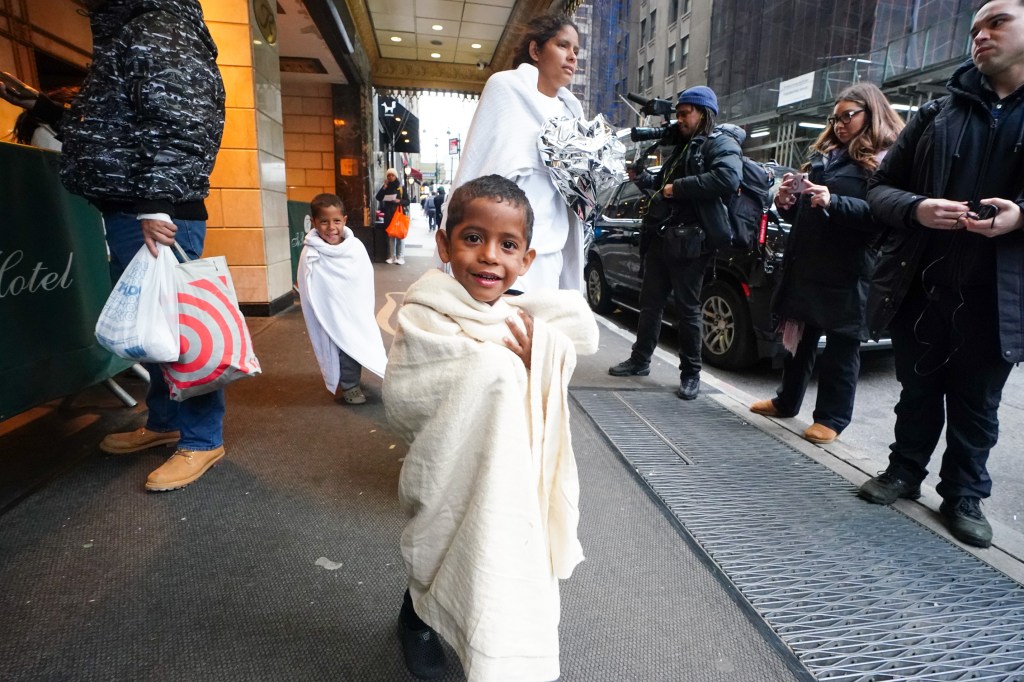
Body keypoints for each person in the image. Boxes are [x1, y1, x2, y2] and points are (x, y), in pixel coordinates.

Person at [0, 0, 226, 492]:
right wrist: (42, 109)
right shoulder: (143, 25)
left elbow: (181, 120)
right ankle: (168, 422)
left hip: (152, 208)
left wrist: (157, 202)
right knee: (158, 330)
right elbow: (115, 129)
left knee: (181, 333)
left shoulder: (157, 26)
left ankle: (203, 439)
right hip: (140, 205)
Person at [384, 175, 599, 681]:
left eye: (507, 245)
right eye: (473, 238)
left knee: (495, 552)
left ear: (526, 261)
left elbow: (571, 337)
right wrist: (499, 367)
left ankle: (475, 636)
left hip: (509, 472)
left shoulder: (521, 322)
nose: (489, 257)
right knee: (443, 541)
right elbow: (406, 394)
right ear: (444, 244)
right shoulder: (426, 312)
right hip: (450, 467)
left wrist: (539, 356)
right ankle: (415, 619)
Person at [857, 0, 1024, 549]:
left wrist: (1021, 216)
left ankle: (964, 496)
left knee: (978, 403)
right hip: (923, 286)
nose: (980, 35)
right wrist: (918, 208)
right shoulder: (936, 114)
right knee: (918, 389)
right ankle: (904, 472)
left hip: (998, 296)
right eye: (974, 27)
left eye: (996, 22)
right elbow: (878, 189)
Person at [749, 83, 905, 445]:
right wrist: (787, 200)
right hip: (808, 264)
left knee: (840, 349)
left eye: (848, 116)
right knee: (797, 342)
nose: (839, 124)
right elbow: (807, 210)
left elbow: (884, 216)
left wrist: (835, 201)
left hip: (849, 269)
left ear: (872, 114)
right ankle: (787, 400)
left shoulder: (886, 159)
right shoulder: (826, 156)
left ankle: (831, 418)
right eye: (835, 118)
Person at [607, 86, 742, 400]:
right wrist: (641, 179)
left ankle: (691, 375)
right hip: (662, 238)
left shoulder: (720, 142)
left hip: (692, 243)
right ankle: (640, 361)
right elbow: (660, 186)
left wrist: (675, 189)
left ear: (703, 113)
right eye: (678, 114)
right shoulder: (683, 147)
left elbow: (727, 179)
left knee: (688, 311)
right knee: (650, 305)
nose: (679, 120)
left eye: (685, 114)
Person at [444, 14, 585, 293]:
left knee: (535, 334)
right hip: (499, 250)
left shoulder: (573, 113)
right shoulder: (505, 88)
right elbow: (478, 167)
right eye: (563, 46)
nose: (572, 57)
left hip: (548, 253)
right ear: (535, 50)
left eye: (576, 51)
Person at [296, 194, 387, 405]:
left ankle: (350, 380)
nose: (331, 227)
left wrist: (359, 306)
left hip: (353, 309)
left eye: (336, 221)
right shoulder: (310, 251)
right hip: (328, 308)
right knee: (340, 346)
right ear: (314, 222)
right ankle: (350, 385)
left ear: (344, 220)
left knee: (355, 342)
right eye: (324, 222)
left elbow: (363, 278)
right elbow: (307, 282)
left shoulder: (355, 248)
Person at [376, 168, 406, 264]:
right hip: (388, 214)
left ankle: (400, 256)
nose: (390, 177)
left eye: (392, 175)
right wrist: (384, 187)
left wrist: (399, 201)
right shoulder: (386, 187)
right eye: (388, 175)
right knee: (390, 235)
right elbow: (378, 197)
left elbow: (408, 201)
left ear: (395, 176)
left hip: (398, 214)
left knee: (399, 235)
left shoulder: (401, 187)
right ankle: (391, 256)